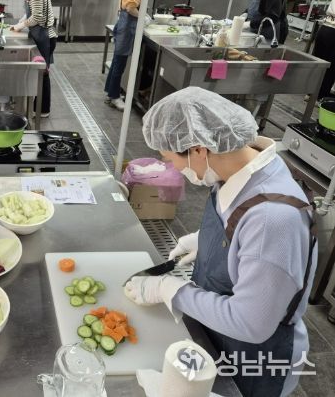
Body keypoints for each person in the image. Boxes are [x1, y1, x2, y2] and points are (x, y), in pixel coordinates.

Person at [125, 87, 316, 397]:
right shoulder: (237, 167)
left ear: (199, 150)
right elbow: (240, 226)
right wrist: (206, 240)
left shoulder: (272, 220)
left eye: (170, 159)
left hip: (252, 358)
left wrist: (170, 289)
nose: (173, 168)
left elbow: (251, 323)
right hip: (216, 335)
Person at [104, 0, 171, 110]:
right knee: (119, 64)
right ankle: (114, 97)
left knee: (116, 62)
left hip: (126, 24)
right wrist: (142, 16)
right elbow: (130, 7)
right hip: (127, 25)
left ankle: (110, 92)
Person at [7, 0, 57, 118]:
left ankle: (43, 110)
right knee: (42, 72)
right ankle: (39, 106)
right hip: (42, 35)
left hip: (45, 36)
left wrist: (21, 25)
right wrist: (20, 22)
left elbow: (37, 18)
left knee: (43, 72)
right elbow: (31, 12)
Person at [313, 0, 335, 100]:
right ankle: (320, 97)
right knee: (331, 67)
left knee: (320, 62)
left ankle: (311, 93)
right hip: (333, 31)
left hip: (325, 27)